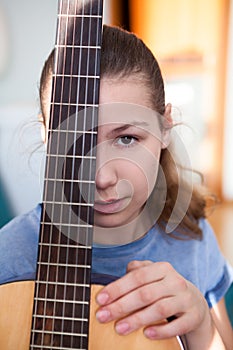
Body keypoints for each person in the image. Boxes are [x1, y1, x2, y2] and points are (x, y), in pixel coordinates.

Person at [0, 25, 232, 349]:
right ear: (45, 133)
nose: (101, 177)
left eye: (127, 138)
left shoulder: (192, 239)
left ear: (165, 127)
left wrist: (200, 323)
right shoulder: (7, 258)